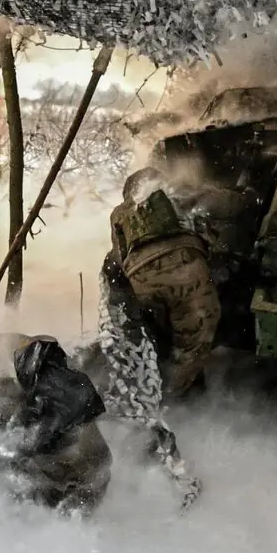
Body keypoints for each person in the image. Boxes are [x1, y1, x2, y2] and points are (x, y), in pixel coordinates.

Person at [107, 167, 220, 396]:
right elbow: (223, 202)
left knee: (156, 337)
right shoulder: (178, 193)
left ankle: (149, 390)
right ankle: (179, 396)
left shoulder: (120, 212)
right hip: (187, 270)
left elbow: (119, 256)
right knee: (193, 341)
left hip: (140, 278)